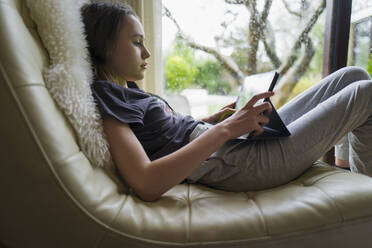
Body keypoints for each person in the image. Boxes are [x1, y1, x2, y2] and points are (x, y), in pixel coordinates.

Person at [81, 2, 372, 202]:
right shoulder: (109, 100)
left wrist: (214, 121)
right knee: (366, 94)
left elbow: (170, 136)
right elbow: (145, 182)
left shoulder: (128, 90)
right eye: (135, 42)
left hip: (231, 147)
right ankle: (364, 194)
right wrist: (227, 129)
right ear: (104, 47)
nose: (146, 52)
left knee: (352, 75)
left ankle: (345, 169)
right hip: (241, 166)